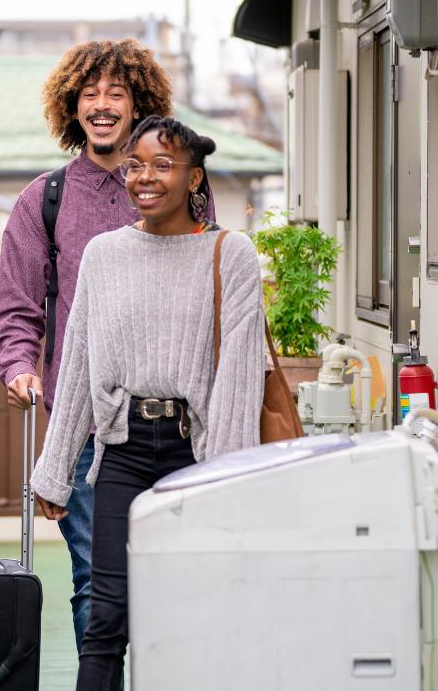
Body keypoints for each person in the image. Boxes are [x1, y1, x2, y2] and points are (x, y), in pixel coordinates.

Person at [29, 116, 265, 691]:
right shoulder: (103, 255)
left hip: (197, 451)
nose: (145, 177)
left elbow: (239, 378)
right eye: (136, 165)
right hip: (122, 450)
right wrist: (55, 472)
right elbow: (79, 363)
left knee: (196, 610)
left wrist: (226, 480)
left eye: (163, 165)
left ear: (194, 179)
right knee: (107, 615)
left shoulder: (230, 255)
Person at [0, 39, 191, 655]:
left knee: (175, 583)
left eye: (117, 94)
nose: (102, 105)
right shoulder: (43, 200)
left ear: (138, 106)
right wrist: (20, 366)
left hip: (179, 422)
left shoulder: (174, 186)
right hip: (84, 425)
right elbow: (16, 304)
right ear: (72, 108)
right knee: (95, 586)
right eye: (90, 94)